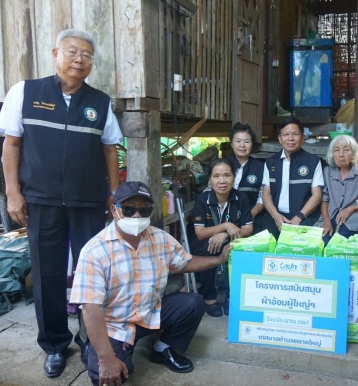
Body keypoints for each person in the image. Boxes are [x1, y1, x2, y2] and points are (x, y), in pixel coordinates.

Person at [0, 29, 122, 378]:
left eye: (86, 55)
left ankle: (90, 340)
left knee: (92, 273)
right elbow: (11, 145)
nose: (79, 60)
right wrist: (13, 193)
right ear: (56, 54)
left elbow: (110, 149)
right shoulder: (26, 92)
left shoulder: (100, 102)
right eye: (72, 52)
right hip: (41, 199)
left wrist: (113, 192)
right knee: (47, 273)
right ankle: (54, 345)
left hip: (88, 201)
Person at [70, 181, 229, 386]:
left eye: (144, 209)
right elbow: (90, 309)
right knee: (108, 376)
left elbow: (184, 262)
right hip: (115, 324)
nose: (137, 216)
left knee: (193, 303)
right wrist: (106, 358)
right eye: (128, 209)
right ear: (114, 210)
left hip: (149, 312)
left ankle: (162, 349)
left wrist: (219, 259)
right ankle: (99, 347)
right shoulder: (95, 250)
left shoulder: (160, 238)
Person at [193, 159, 253, 317]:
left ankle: (231, 297)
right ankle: (209, 298)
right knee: (208, 246)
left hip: (233, 240)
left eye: (227, 175)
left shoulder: (241, 198)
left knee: (241, 250)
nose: (222, 181)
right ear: (210, 179)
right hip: (209, 242)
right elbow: (200, 233)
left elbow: (248, 228)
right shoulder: (202, 199)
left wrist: (225, 234)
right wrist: (226, 225)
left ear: (234, 177)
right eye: (216, 176)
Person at [262, 117, 324, 238]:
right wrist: (276, 216)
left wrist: (299, 217)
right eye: (286, 134)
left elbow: (317, 195)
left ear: (303, 137)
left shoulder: (313, 162)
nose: (290, 138)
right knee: (265, 242)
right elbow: (266, 193)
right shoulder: (271, 162)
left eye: (295, 134)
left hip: (305, 217)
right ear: (280, 139)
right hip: (276, 217)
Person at [316, 134, 358, 245]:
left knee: (339, 244)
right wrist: (326, 221)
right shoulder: (327, 171)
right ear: (332, 154)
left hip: (352, 221)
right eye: (337, 150)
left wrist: (352, 208)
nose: (341, 155)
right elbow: (324, 199)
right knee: (321, 242)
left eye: (346, 150)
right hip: (330, 217)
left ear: (353, 153)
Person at [227, 122, 267, 232]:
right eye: (238, 141)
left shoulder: (261, 167)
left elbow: (263, 196)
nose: (242, 145)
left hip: (253, 216)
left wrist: (251, 214)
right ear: (231, 144)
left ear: (252, 144)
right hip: (225, 216)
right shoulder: (222, 165)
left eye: (247, 141)